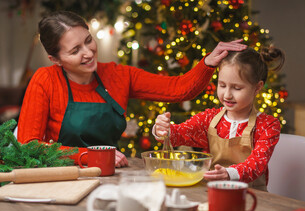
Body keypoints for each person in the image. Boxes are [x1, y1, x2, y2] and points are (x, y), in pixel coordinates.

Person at [17, 11, 247, 168]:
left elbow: (178, 89)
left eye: (88, 40)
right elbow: (29, 146)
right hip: (61, 177)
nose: (88, 52)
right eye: (75, 50)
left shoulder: (118, 75)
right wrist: (87, 156)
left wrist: (207, 63)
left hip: (109, 175)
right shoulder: (45, 80)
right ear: (55, 59)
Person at [154, 46, 285, 191]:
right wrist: (163, 129)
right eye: (222, 85)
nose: (227, 94)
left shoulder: (267, 125)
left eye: (237, 88)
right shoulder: (209, 118)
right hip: (213, 192)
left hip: (252, 197)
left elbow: (256, 164)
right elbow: (179, 134)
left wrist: (228, 174)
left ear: (257, 87)